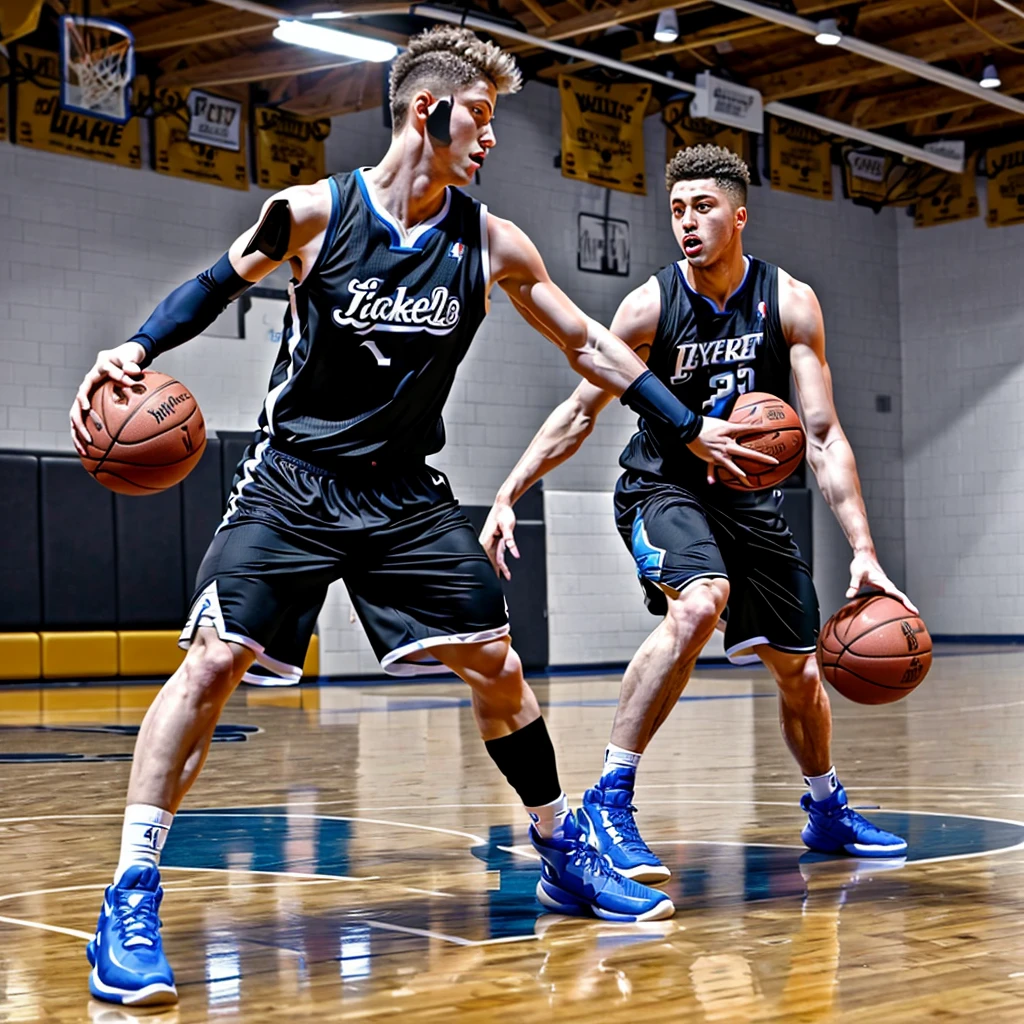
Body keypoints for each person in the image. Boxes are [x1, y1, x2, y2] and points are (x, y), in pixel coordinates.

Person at [68, 34, 772, 1007]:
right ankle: (131, 891)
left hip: (404, 494)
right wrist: (136, 346)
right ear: (425, 112)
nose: (488, 138)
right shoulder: (311, 212)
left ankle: (561, 848)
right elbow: (213, 285)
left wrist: (687, 424)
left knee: (499, 666)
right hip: (295, 480)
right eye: (479, 118)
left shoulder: (491, 243)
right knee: (213, 659)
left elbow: (589, 344)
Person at [480, 144, 917, 886]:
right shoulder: (650, 306)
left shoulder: (789, 302)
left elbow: (822, 434)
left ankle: (826, 807)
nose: (687, 222)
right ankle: (608, 802)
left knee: (801, 673)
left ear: (739, 215)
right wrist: (508, 490)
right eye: (677, 209)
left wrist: (864, 552)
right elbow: (583, 409)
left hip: (749, 504)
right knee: (697, 606)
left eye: (703, 207)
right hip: (663, 489)